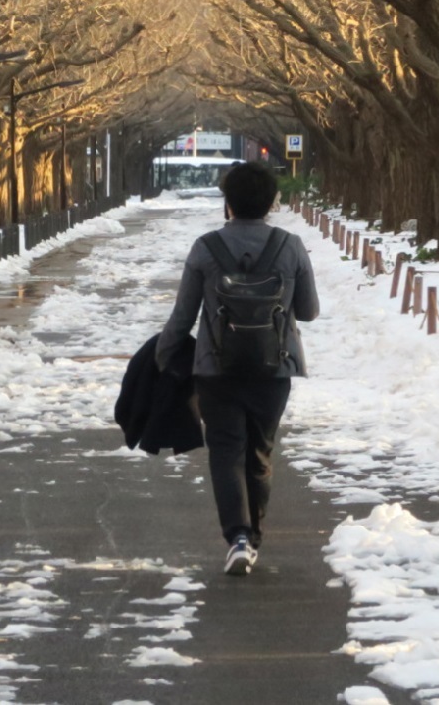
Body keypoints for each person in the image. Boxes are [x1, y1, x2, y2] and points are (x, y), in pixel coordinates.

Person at [155, 160, 319, 576]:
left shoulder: (205, 248)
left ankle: (238, 537)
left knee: (227, 451)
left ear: (227, 202)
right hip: (274, 368)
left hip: (215, 369)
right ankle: (255, 536)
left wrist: (163, 356)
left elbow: (183, 315)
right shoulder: (291, 246)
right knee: (260, 452)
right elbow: (309, 311)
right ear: (271, 203)